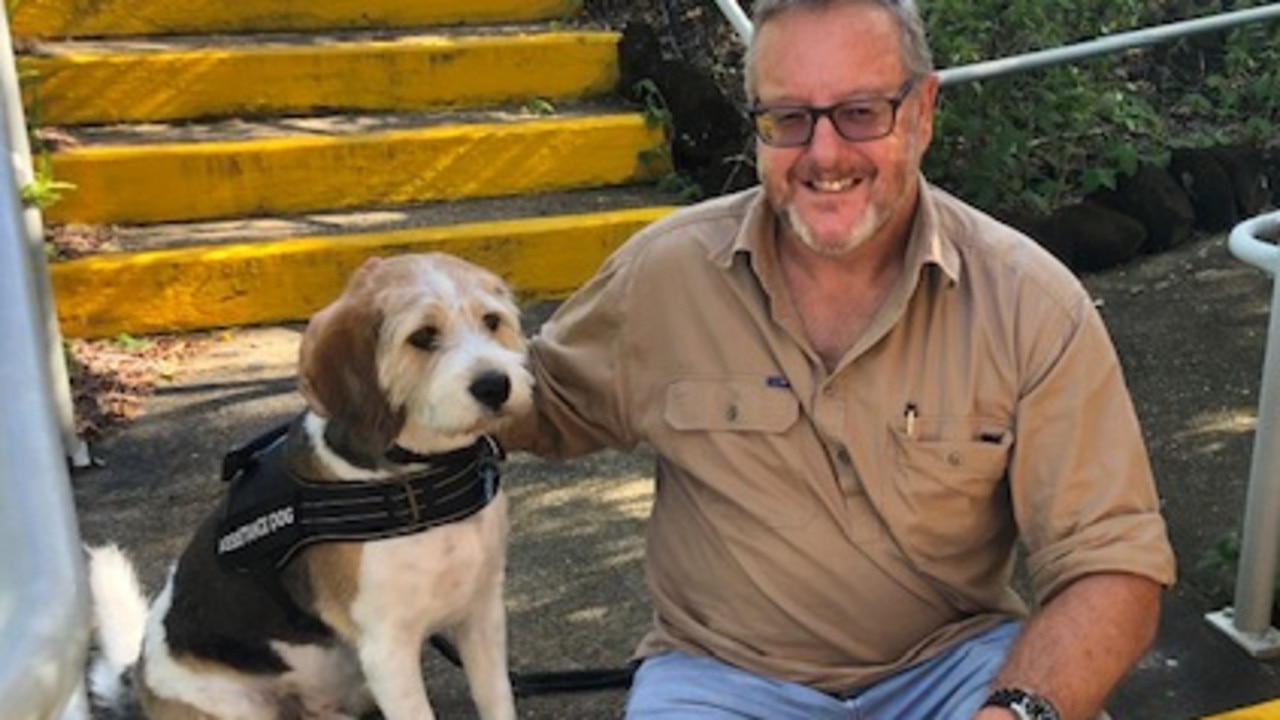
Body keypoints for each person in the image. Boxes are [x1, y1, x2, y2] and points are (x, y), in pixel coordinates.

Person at [502, 0, 1176, 718]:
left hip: (955, 669)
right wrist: (389, 373)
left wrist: (1014, 712)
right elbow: (525, 405)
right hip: (721, 678)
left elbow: (1113, 563)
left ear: (922, 111)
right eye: (789, 117)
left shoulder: (1031, 303)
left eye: (860, 112)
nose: (823, 154)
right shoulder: (664, 277)